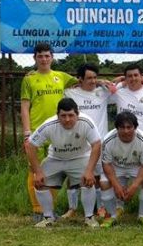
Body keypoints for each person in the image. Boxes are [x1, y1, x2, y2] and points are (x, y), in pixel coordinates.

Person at [20, 42, 78, 222]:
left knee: (53, 172)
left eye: (47, 56)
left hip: (57, 132)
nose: (44, 59)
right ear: (35, 58)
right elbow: (24, 106)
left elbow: (84, 81)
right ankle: (37, 210)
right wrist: (27, 131)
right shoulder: (29, 79)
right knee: (34, 170)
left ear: (52, 57)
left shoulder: (61, 76)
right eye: (40, 56)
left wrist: (102, 81)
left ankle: (49, 209)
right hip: (37, 131)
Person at [24, 98, 102, 228]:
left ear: (77, 114)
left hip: (80, 157)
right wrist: (37, 172)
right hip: (56, 158)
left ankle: (89, 218)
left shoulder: (86, 122)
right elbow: (31, 146)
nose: (67, 119)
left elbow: (97, 144)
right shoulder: (49, 125)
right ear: (57, 115)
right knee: (38, 182)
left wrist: (89, 171)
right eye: (63, 116)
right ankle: (48, 218)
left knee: (88, 180)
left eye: (71, 115)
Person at [63, 63, 113, 220]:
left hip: (99, 142)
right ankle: (72, 208)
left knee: (97, 176)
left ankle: (100, 208)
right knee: (73, 176)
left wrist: (101, 82)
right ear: (80, 79)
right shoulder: (70, 93)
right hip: (77, 142)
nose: (93, 81)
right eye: (89, 78)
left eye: (95, 78)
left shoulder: (103, 92)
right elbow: (59, 84)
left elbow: (121, 82)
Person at [99, 111, 143, 228]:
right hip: (116, 167)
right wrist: (116, 185)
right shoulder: (108, 140)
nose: (126, 131)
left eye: (129, 127)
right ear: (116, 128)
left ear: (135, 127)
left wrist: (134, 186)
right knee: (104, 182)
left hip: (137, 167)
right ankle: (111, 215)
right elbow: (107, 164)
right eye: (122, 127)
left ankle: (142, 215)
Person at [111, 63, 143, 135]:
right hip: (123, 136)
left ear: (141, 77)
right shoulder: (119, 92)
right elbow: (106, 90)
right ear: (125, 78)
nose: (133, 78)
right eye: (130, 76)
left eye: (136, 75)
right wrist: (121, 81)